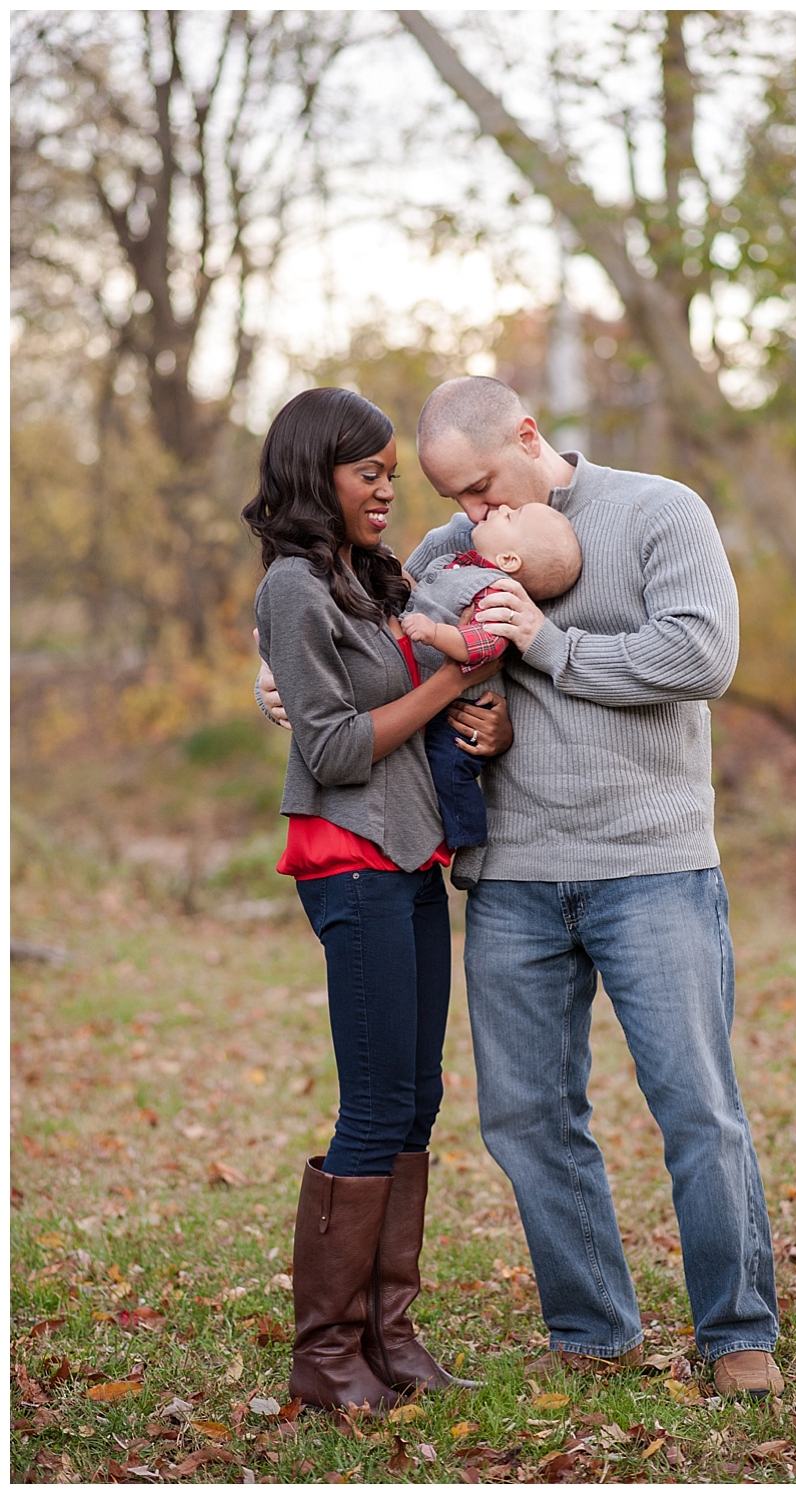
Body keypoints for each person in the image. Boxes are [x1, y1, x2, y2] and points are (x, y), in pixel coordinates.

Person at [259, 376, 784, 1402]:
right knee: (528, 1118)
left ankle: (736, 1334)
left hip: (651, 864)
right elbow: (343, 618)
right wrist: (267, 677)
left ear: (529, 436)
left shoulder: (659, 511)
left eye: (483, 486)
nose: (471, 517)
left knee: (695, 1109)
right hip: (509, 878)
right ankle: (590, 1330)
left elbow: (700, 654)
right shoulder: (445, 554)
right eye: (451, 497)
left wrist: (548, 646)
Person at [244, 386, 511, 1415]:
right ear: (321, 475)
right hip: (349, 861)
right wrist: (447, 683)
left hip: (409, 859)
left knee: (418, 1097)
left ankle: (390, 1337)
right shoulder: (294, 592)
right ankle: (325, 1355)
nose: (387, 490)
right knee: (372, 1103)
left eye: (393, 473)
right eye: (371, 472)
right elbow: (334, 747)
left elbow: (408, 689)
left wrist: (473, 702)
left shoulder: (365, 581)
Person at [401, 501, 582, 848]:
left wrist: (435, 633)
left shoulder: (497, 592)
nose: (499, 507)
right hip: (425, 693)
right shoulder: (452, 560)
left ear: (509, 561)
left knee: (450, 766)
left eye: (511, 516)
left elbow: (484, 644)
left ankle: (469, 843)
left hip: (465, 708)